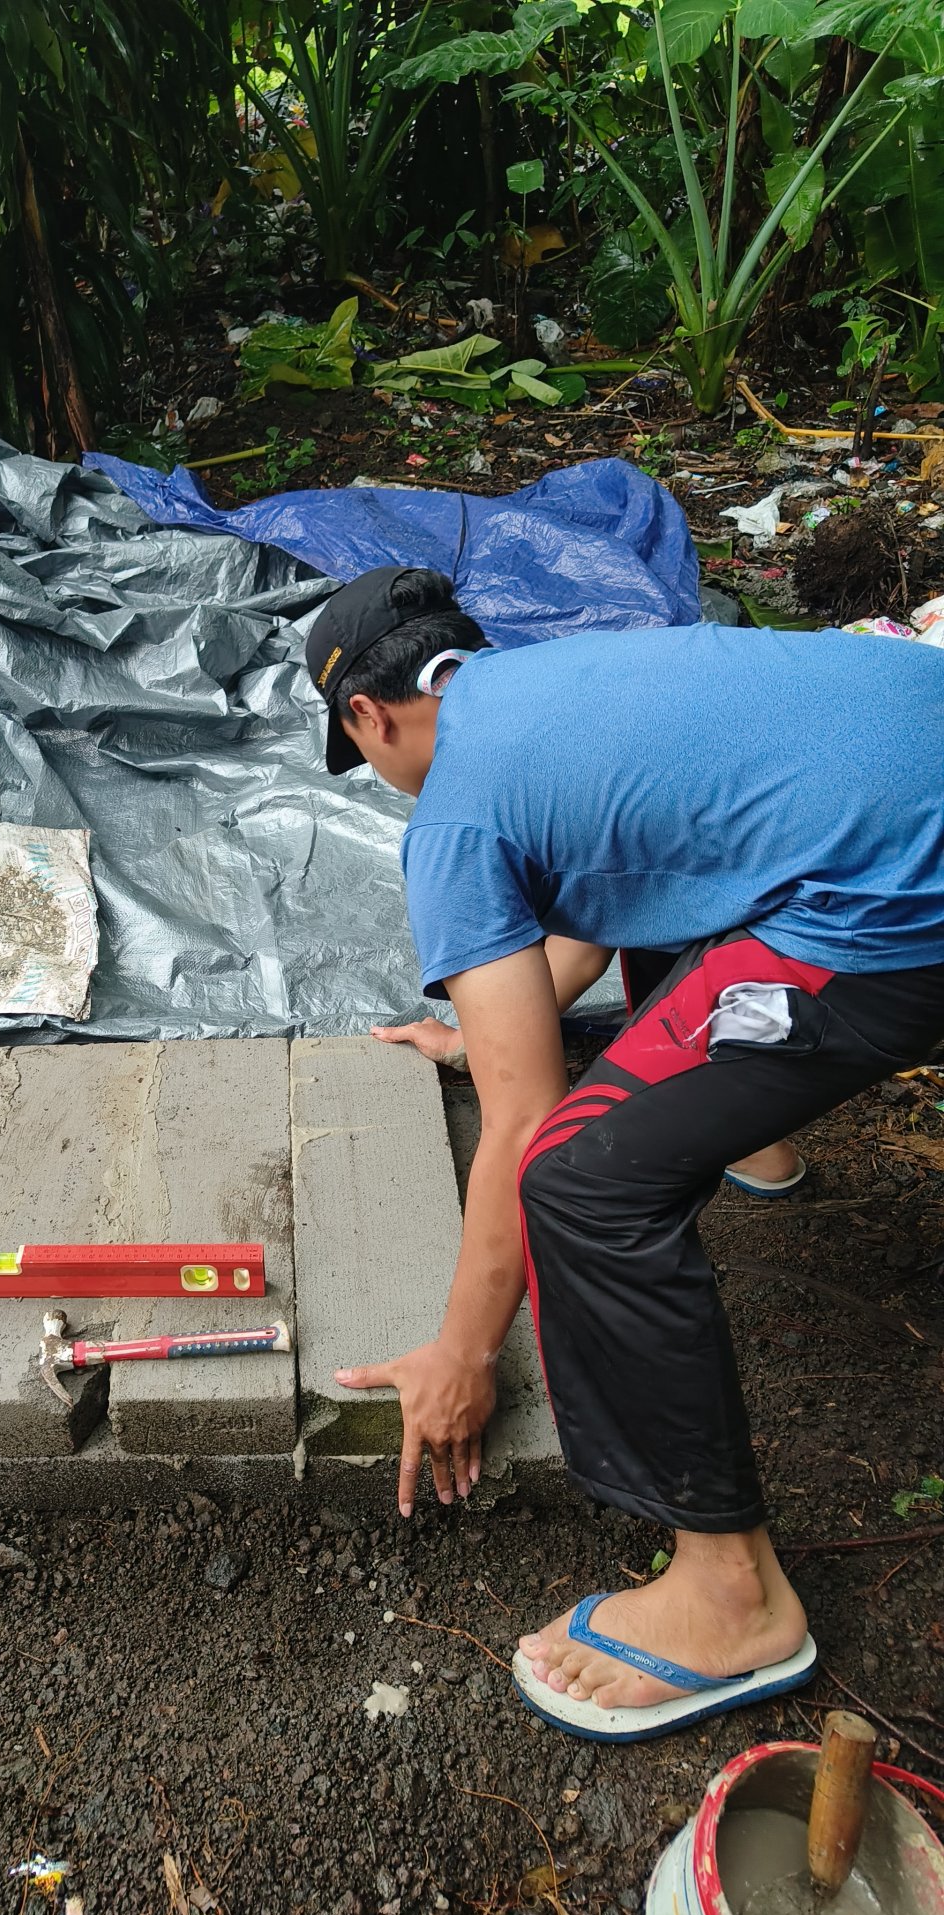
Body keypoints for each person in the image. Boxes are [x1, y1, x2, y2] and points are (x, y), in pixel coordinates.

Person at [304, 564, 944, 1739]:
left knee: (583, 1181)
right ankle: (759, 1144)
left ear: (370, 714)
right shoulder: (562, 690)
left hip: (907, 911)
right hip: (914, 759)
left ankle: (731, 1598)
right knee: (687, 895)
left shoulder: (457, 812)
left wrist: (462, 1350)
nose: (387, 783)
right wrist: (476, 1034)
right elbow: (603, 913)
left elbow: (526, 1118)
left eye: (370, 760)